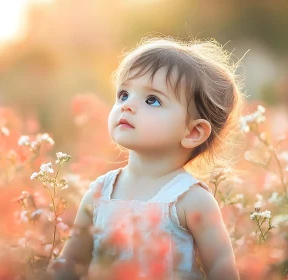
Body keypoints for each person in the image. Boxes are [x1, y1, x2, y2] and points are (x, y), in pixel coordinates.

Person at [50, 36, 246, 279]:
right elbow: (72, 262)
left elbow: (221, 267)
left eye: (152, 100)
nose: (127, 106)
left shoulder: (190, 199)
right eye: (123, 94)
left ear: (193, 132)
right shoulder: (100, 193)